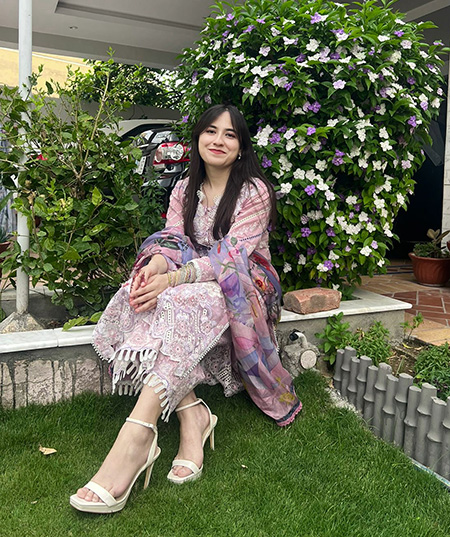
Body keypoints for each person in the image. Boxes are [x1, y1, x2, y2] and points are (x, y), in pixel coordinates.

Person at [70, 104, 302, 514]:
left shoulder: (254, 192)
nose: (218, 141)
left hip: (247, 284)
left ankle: (137, 436)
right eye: (211, 131)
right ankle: (192, 415)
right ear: (197, 138)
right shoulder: (183, 189)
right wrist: (156, 268)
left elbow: (231, 258)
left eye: (230, 134)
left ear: (241, 146)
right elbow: (174, 240)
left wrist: (175, 279)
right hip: (195, 277)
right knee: (135, 292)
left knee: (183, 298)